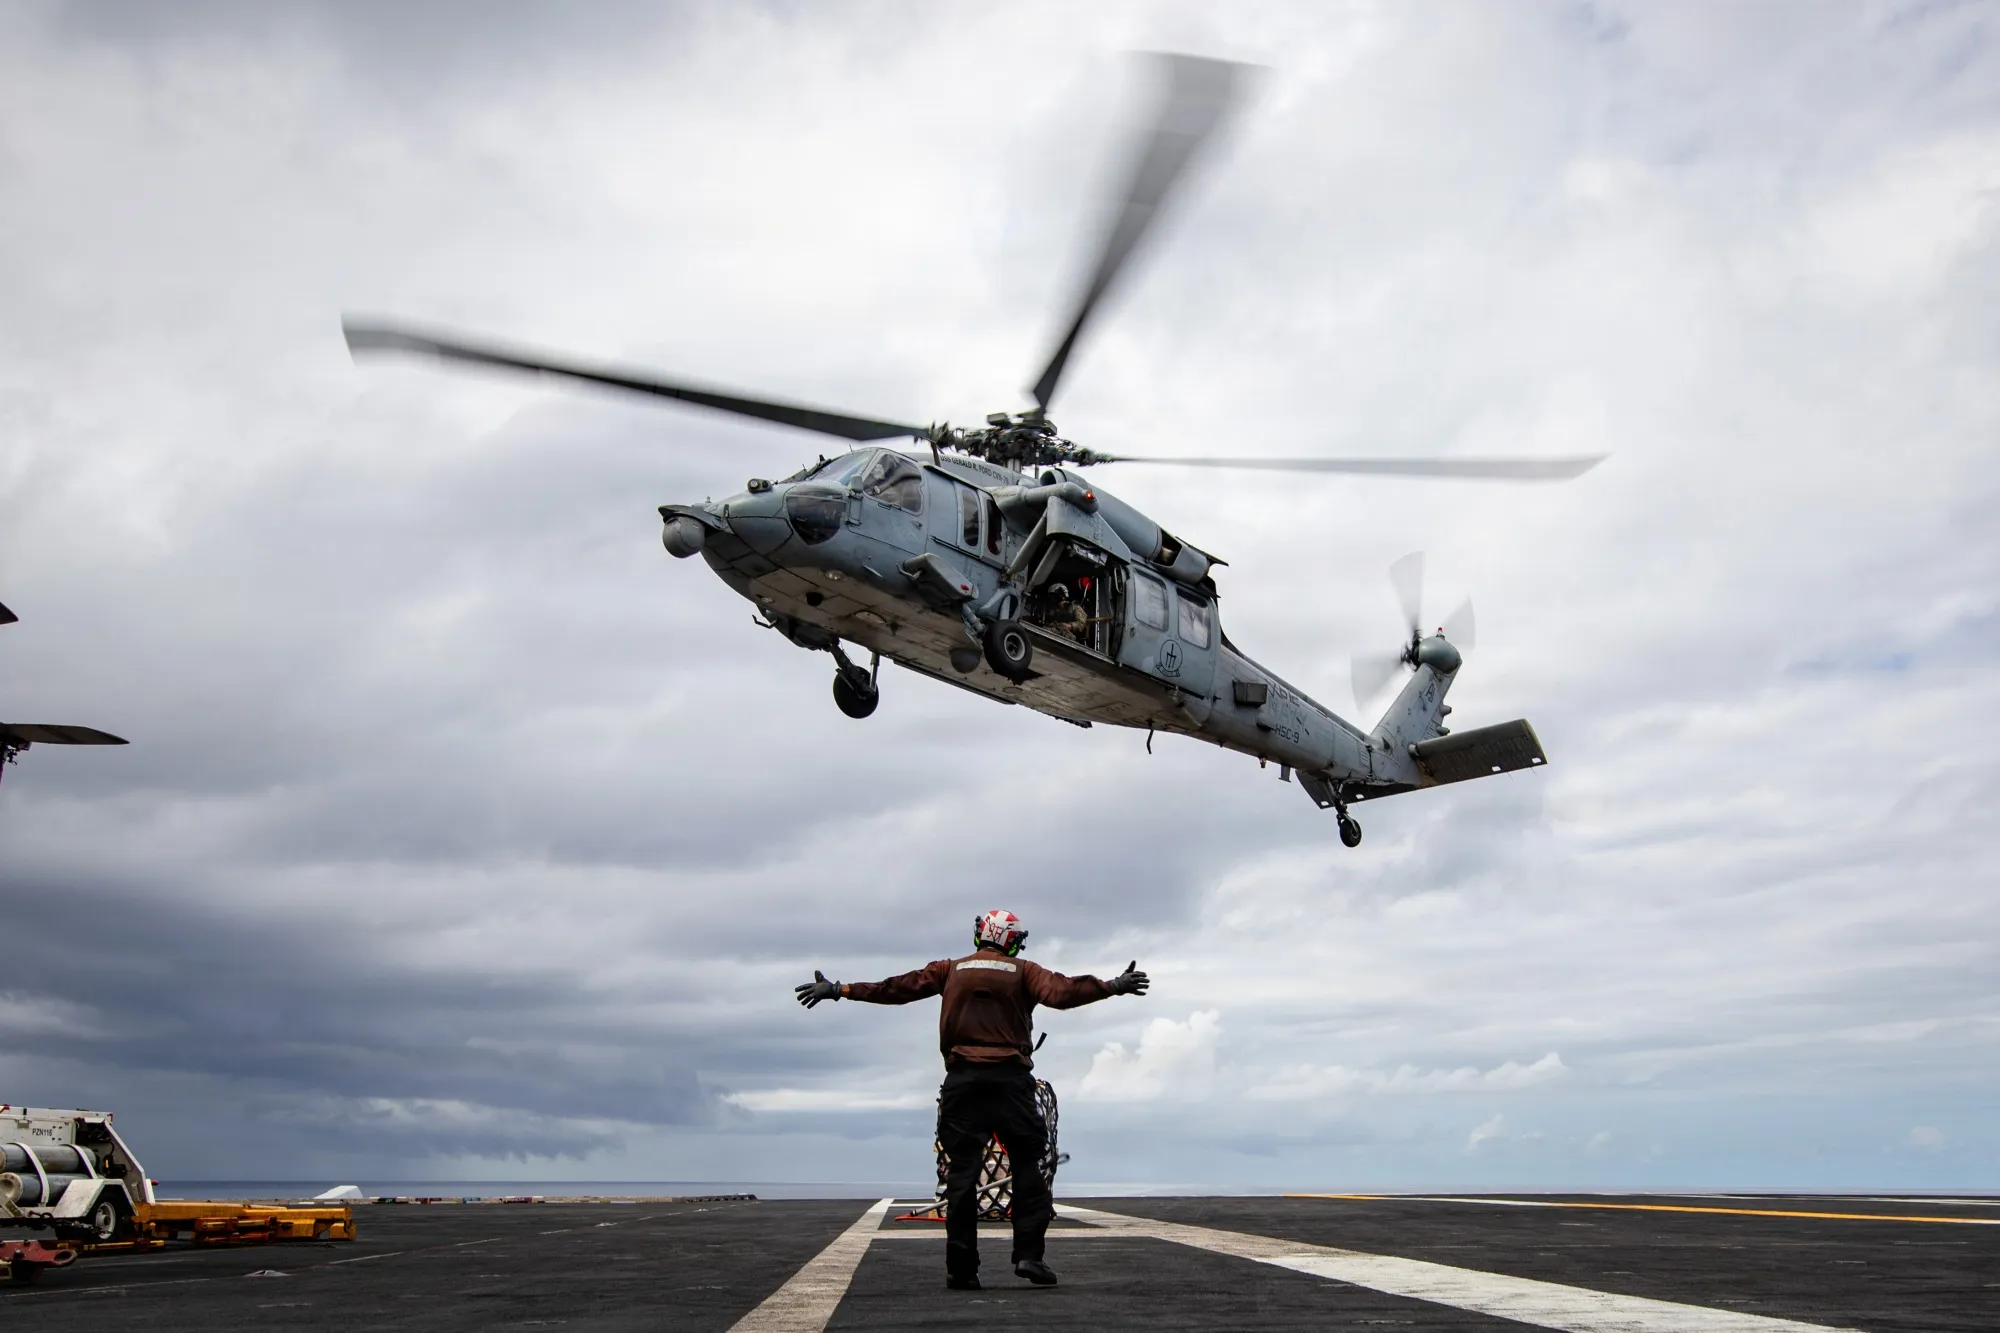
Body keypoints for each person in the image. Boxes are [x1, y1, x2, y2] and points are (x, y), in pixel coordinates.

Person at [795, 910, 1148, 1290]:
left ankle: (961, 1268)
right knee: (1030, 1166)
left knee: (962, 1175)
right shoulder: (1024, 970)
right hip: (1012, 1083)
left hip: (962, 1081)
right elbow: (1062, 992)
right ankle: (1029, 1256)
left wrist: (840, 989)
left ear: (982, 935)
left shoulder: (949, 969)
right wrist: (1111, 985)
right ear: (1011, 939)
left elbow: (897, 988)